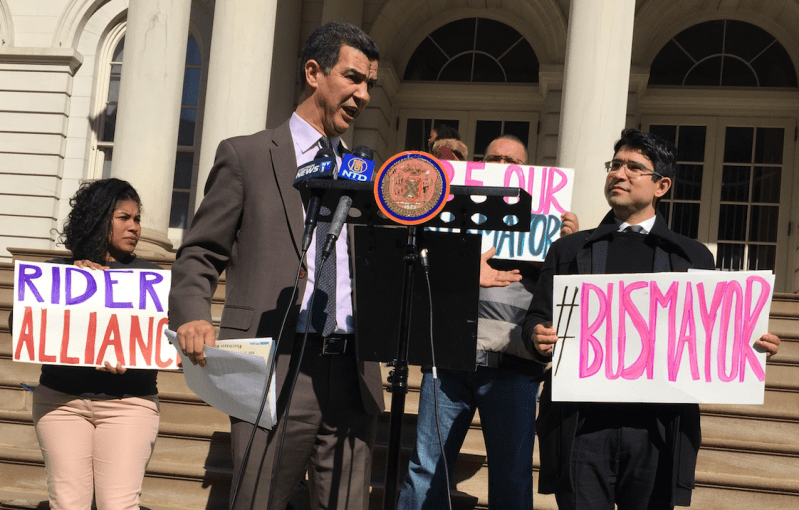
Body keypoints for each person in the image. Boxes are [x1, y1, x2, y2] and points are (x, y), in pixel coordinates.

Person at [169, 22, 382, 510]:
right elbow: (200, 252)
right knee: (258, 501)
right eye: (353, 78)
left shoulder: (366, 172)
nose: (364, 95)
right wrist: (192, 314)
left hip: (352, 370)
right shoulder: (246, 156)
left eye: (370, 84)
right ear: (313, 72)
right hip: (274, 363)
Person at [523, 128, 781, 509]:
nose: (619, 174)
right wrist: (537, 336)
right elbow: (536, 319)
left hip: (658, 431)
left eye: (633, 167)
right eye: (615, 165)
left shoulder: (693, 257)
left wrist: (749, 343)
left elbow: (709, 334)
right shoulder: (569, 250)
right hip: (581, 429)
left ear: (662, 185)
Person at [397, 134, 578, 510]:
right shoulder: (449, 214)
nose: (503, 166)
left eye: (513, 162)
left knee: (512, 475)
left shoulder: (547, 228)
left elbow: (563, 298)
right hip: (448, 361)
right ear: (480, 166)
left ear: (527, 172)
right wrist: (463, 268)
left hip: (514, 368)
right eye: (495, 159)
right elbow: (419, 268)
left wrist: (568, 247)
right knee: (427, 470)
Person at [30, 178, 161, 510]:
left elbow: (162, 341)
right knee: (67, 504)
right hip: (60, 403)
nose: (135, 227)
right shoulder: (57, 273)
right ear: (99, 219)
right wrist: (71, 288)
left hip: (129, 405)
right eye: (124, 218)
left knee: (117, 504)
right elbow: (22, 326)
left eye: (137, 219)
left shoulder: (151, 278)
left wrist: (131, 359)